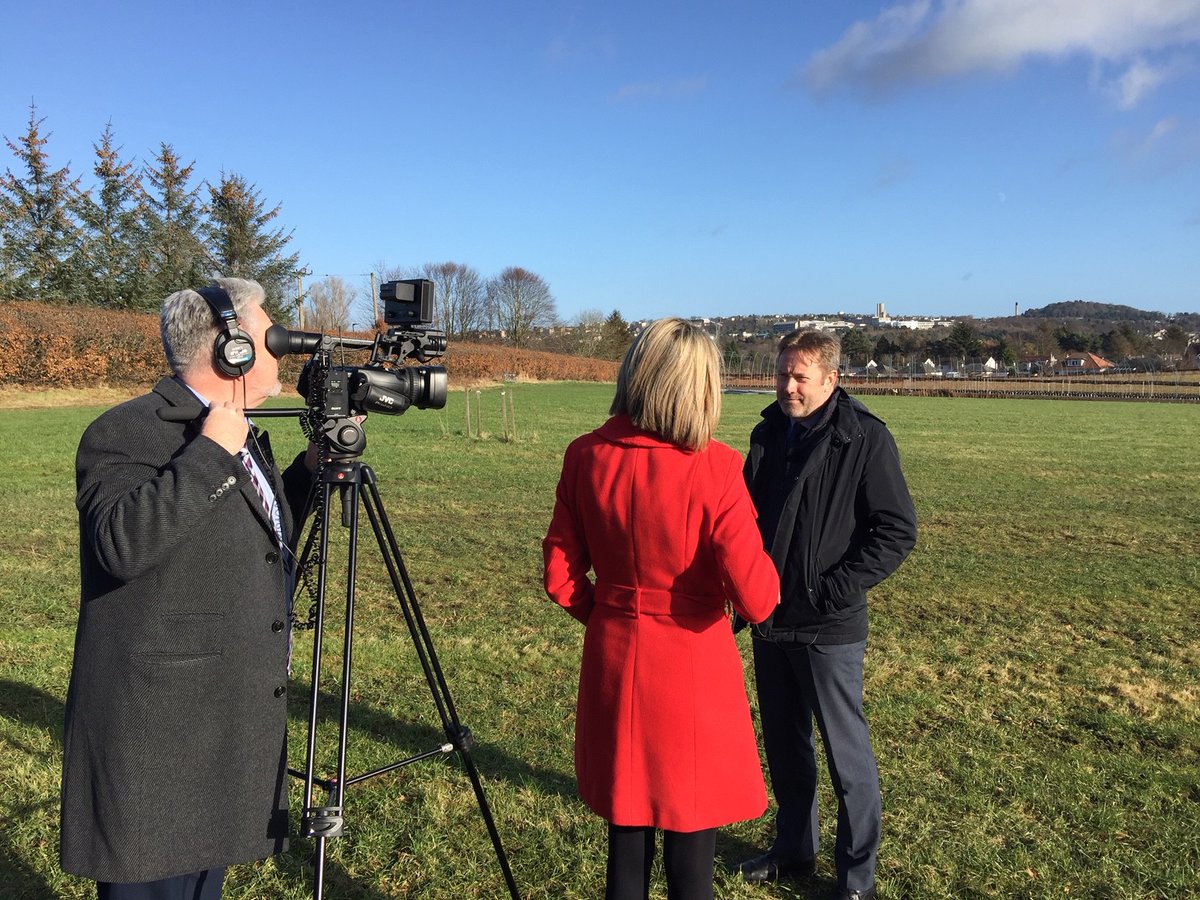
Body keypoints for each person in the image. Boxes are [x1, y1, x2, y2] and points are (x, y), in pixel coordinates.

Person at [60, 278, 314, 899]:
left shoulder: (235, 430)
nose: (282, 348)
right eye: (270, 333)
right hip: (158, 738)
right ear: (232, 349)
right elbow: (122, 545)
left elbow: (253, 531)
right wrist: (208, 455)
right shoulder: (127, 431)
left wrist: (310, 470)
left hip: (222, 717)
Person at [543, 317, 780, 900]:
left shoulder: (585, 456)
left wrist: (610, 612)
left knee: (626, 832)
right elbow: (759, 595)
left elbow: (559, 576)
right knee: (692, 839)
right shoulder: (717, 467)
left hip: (616, 657)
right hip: (694, 664)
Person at [736, 330, 917, 900]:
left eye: (800, 377)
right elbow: (743, 516)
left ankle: (855, 881)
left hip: (827, 626)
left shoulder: (864, 438)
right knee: (786, 747)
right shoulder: (768, 432)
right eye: (782, 373)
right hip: (769, 617)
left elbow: (896, 529)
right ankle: (794, 848)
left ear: (831, 379)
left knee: (847, 759)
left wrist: (834, 590)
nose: (787, 386)